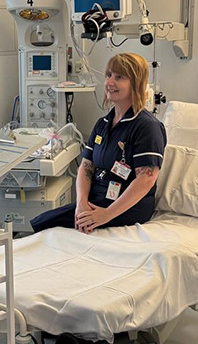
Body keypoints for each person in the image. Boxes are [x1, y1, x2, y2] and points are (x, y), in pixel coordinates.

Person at [31, 52, 166, 234]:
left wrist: (106, 215)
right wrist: (81, 204)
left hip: (128, 207)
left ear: (136, 83)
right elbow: (86, 167)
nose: (110, 83)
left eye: (119, 77)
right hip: (99, 198)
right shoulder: (103, 124)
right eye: (109, 75)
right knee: (46, 221)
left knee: (46, 224)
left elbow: (147, 179)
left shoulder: (147, 126)